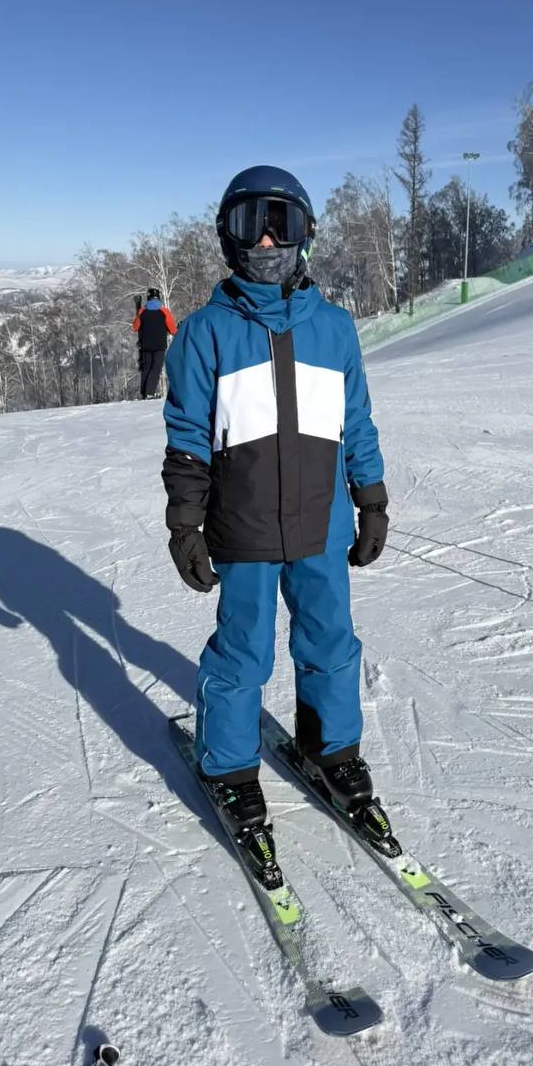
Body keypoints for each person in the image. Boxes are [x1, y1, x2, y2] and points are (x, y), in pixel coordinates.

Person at [160, 165, 390, 871]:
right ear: (226, 237)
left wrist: (371, 497)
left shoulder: (334, 329)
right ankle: (229, 766)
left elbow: (356, 421)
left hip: (322, 521)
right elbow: (187, 435)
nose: (265, 239)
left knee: (331, 641)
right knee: (244, 651)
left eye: (280, 223)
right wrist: (185, 523)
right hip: (244, 523)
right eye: (248, 223)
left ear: (305, 235)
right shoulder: (204, 333)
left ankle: (332, 750)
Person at [132, 288, 177, 399]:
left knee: (146, 367)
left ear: (148, 298)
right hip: (159, 345)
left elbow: (135, 327)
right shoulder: (164, 311)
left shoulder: (142, 311)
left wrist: (138, 311)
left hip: (145, 345)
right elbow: (172, 330)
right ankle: (149, 393)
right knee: (156, 367)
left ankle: (144, 393)